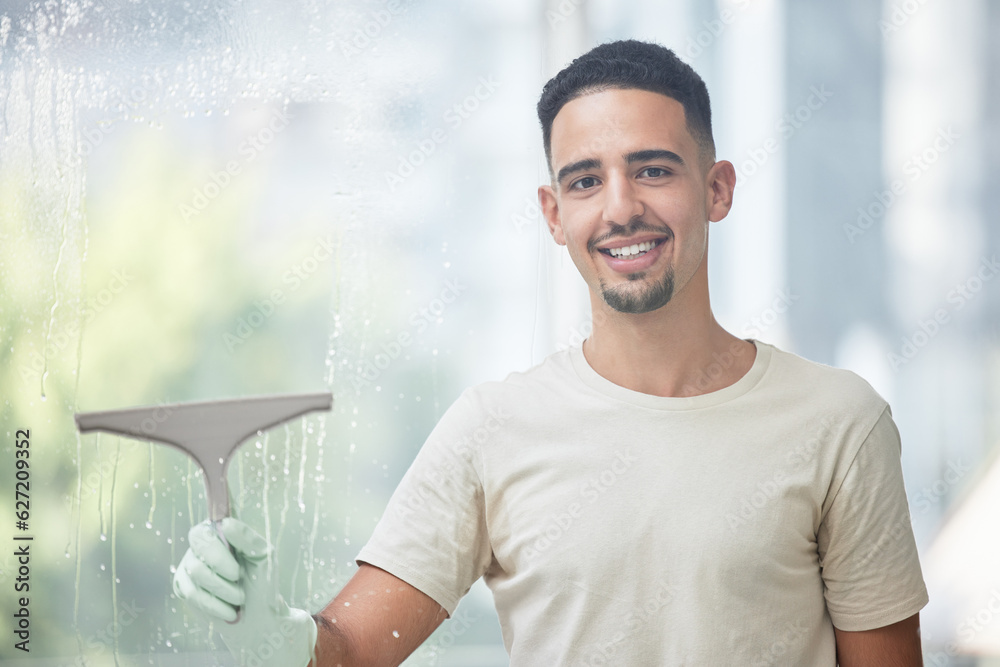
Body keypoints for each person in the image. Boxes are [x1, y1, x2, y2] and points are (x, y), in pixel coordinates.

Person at [172, 39, 929, 666]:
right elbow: (350, 653)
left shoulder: (841, 423)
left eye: (654, 169)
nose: (621, 205)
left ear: (717, 189)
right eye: (584, 180)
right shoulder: (490, 429)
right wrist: (272, 631)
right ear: (553, 213)